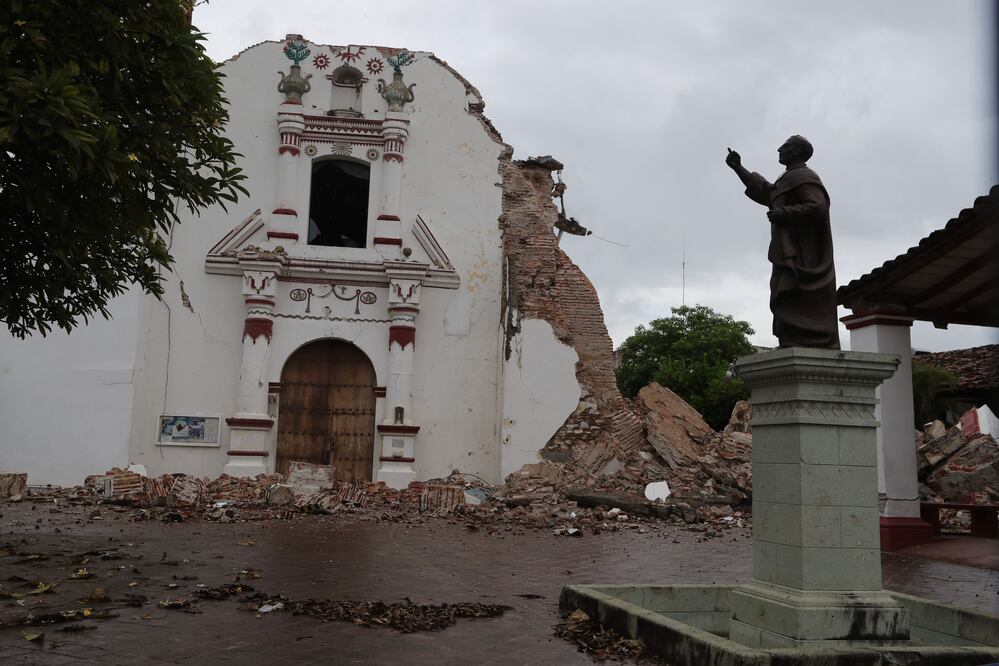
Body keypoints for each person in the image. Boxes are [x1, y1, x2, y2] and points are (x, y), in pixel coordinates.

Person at [725, 136, 840, 349]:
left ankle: (812, 338)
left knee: (794, 291)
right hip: (787, 250)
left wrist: (785, 213)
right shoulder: (788, 178)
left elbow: (817, 206)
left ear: (796, 151)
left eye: (785, 146)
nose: (779, 149)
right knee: (784, 291)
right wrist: (738, 168)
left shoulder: (805, 176)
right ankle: (792, 339)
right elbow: (767, 192)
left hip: (804, 254)